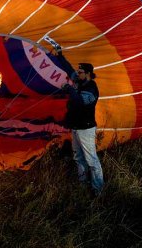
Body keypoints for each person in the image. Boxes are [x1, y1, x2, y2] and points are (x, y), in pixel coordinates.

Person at [55, 50, 104, 195]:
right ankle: (82, 185)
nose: (78, 73)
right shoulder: (79, 80)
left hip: (86, 129)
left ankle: (98, 189)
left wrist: (69, 88)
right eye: (78, 71)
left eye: (81, 72)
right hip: (76, 127)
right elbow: (68, 69)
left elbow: (79, 102)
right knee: (78, 157)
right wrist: (59, 55)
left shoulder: (92, 88)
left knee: (91, 160)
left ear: (88, 73)